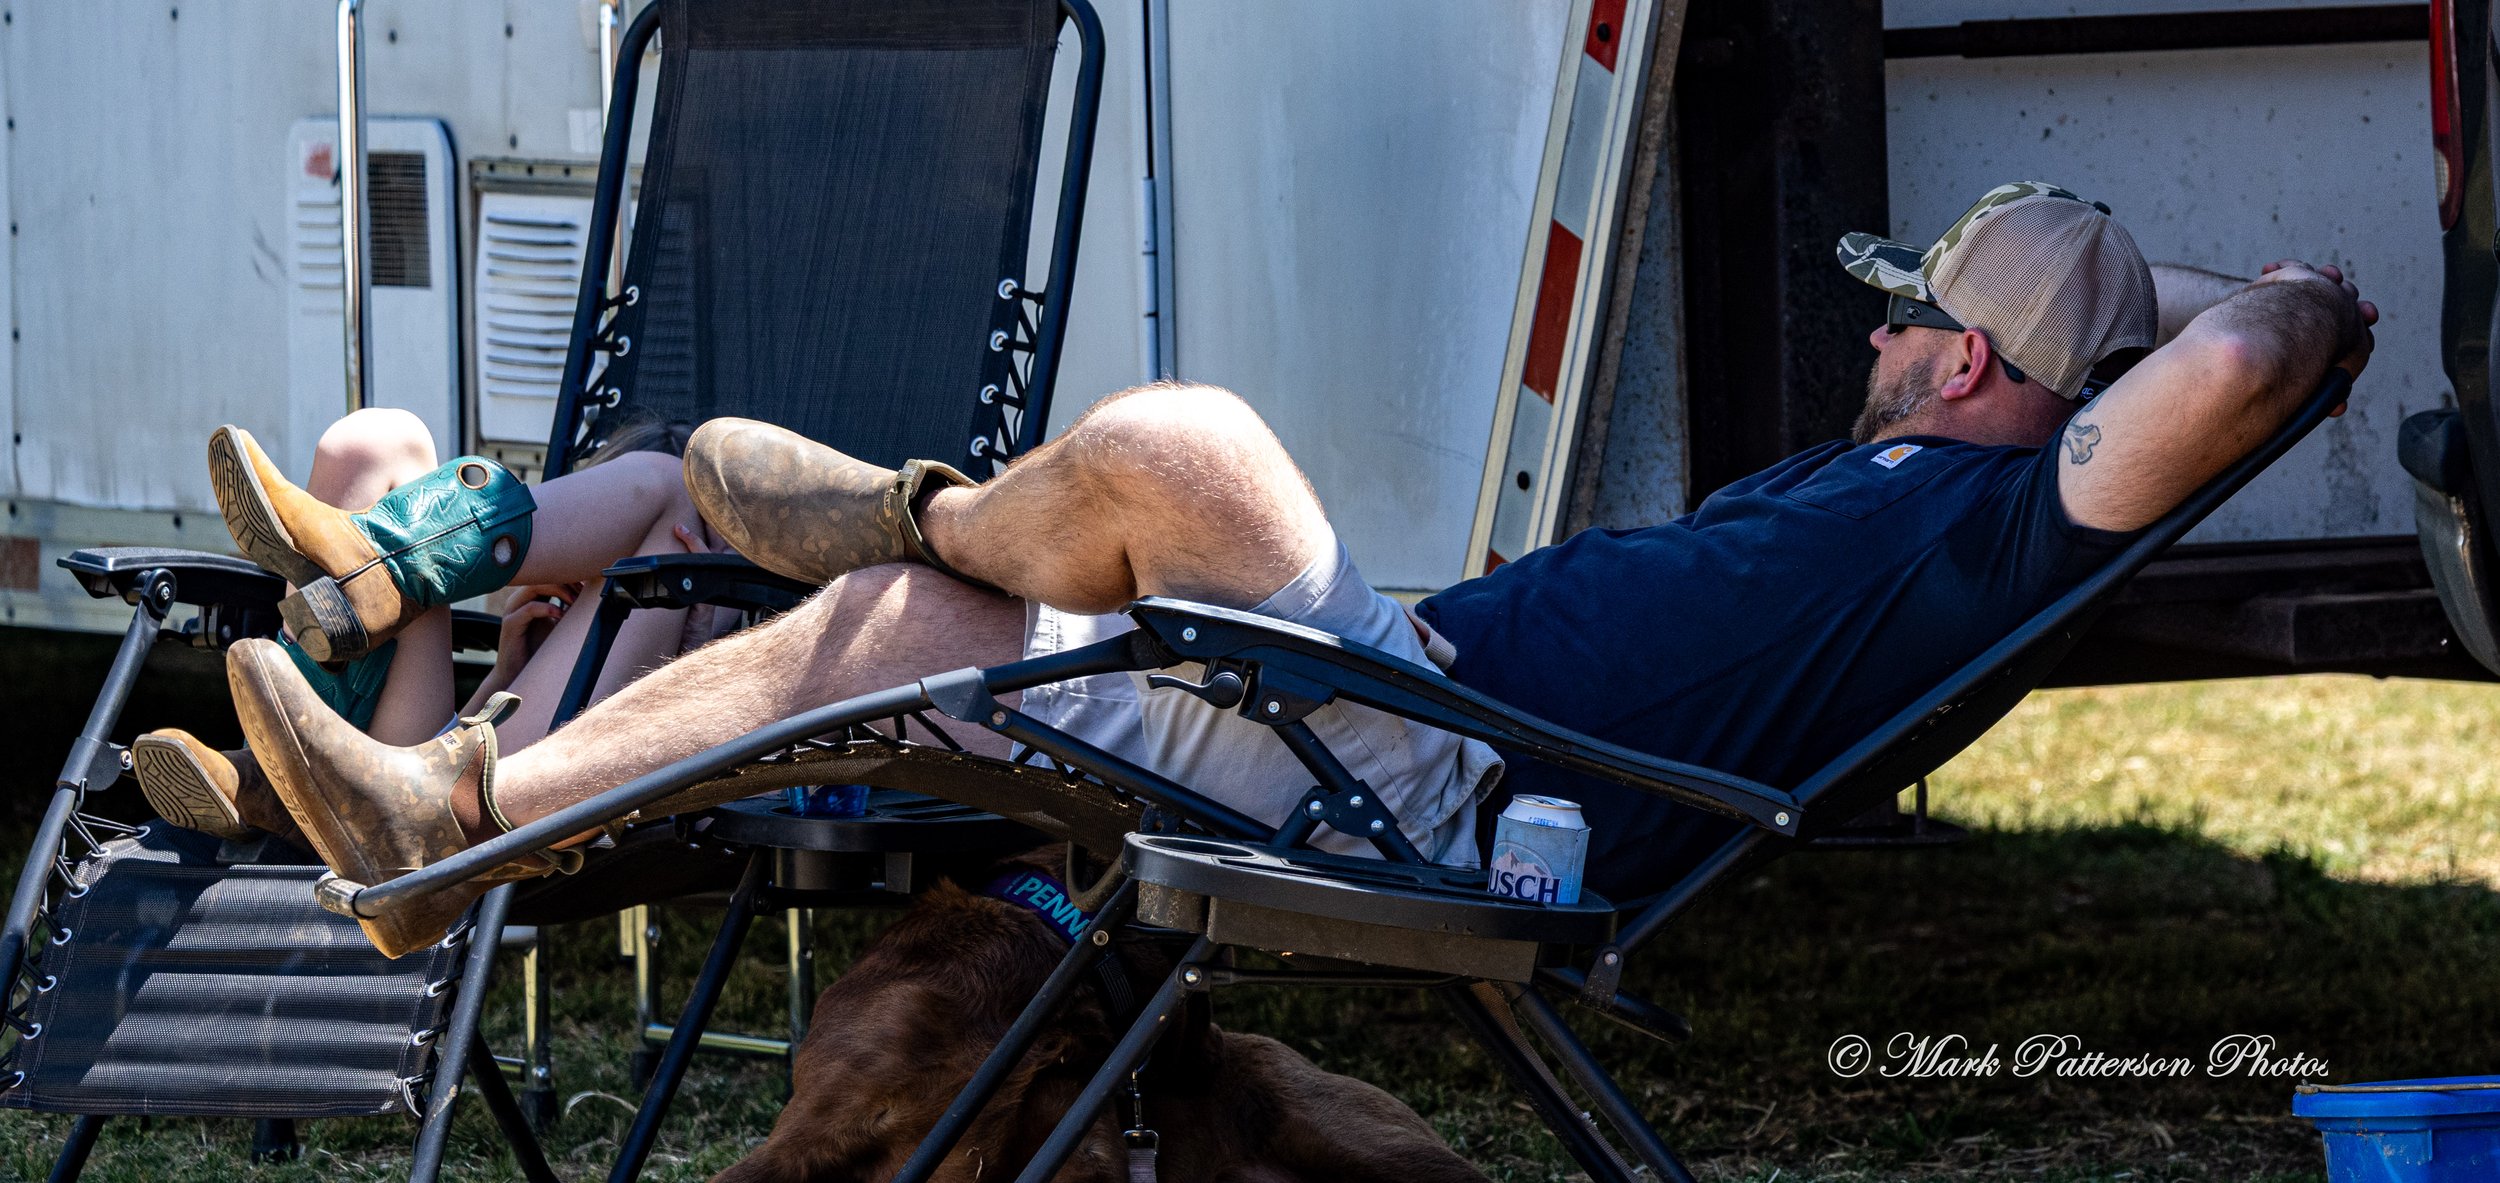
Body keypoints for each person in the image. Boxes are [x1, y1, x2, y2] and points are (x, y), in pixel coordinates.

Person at [215, 181, 2374, 957]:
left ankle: (906, 498)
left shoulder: (1998, 521)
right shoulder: (1918, 451)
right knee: (898, 627)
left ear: (1984, 365)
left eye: (1916, 316)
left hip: (1453, 783)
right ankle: (452, 828)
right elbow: (2219, 323)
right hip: (1395, 703)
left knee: (1186, 448)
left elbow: (2277, 330)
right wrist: (2056, 303)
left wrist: (2086, 327)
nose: (1875, 331)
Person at [133, 409, 721, 875]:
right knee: (379, 442)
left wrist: (692, 639)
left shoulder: (734, 654)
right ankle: (275, 773)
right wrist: (505, 672)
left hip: (477, 814)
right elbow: (451, 746)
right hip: (412, 783)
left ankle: (375, 567)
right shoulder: (555, 629)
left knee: (672, 484)